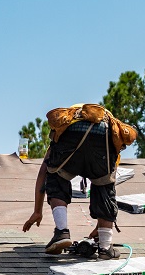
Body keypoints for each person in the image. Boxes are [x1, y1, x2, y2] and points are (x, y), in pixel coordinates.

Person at [22, 106, 123, 258]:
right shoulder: (112, 137)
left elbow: (44, 172)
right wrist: (101, 228)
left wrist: (37, 211)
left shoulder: (65, 126)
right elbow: (106, 189)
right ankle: (105, 247)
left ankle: (62, 232)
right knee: (104, 184)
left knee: (56, 175)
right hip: (104, 134)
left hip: (73, 132)